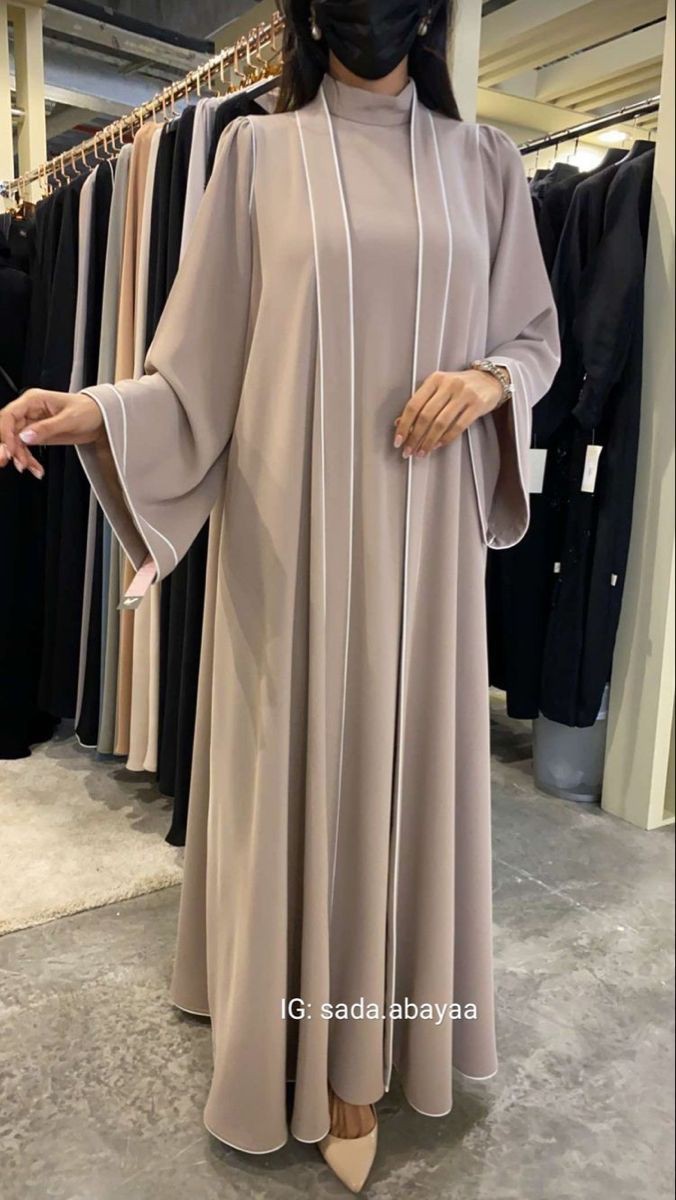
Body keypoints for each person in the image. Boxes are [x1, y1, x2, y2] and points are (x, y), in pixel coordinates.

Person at [0, 0, 560, 1191]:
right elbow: (194, 370)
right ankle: (297, 1037)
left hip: (424, 556)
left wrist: (486, 380)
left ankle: (371, 1045)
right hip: (288, 541)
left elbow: (535, 337)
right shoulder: (254, 152)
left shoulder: (487, 163)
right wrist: (93, 409)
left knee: (401, 777)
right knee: (298, 770)